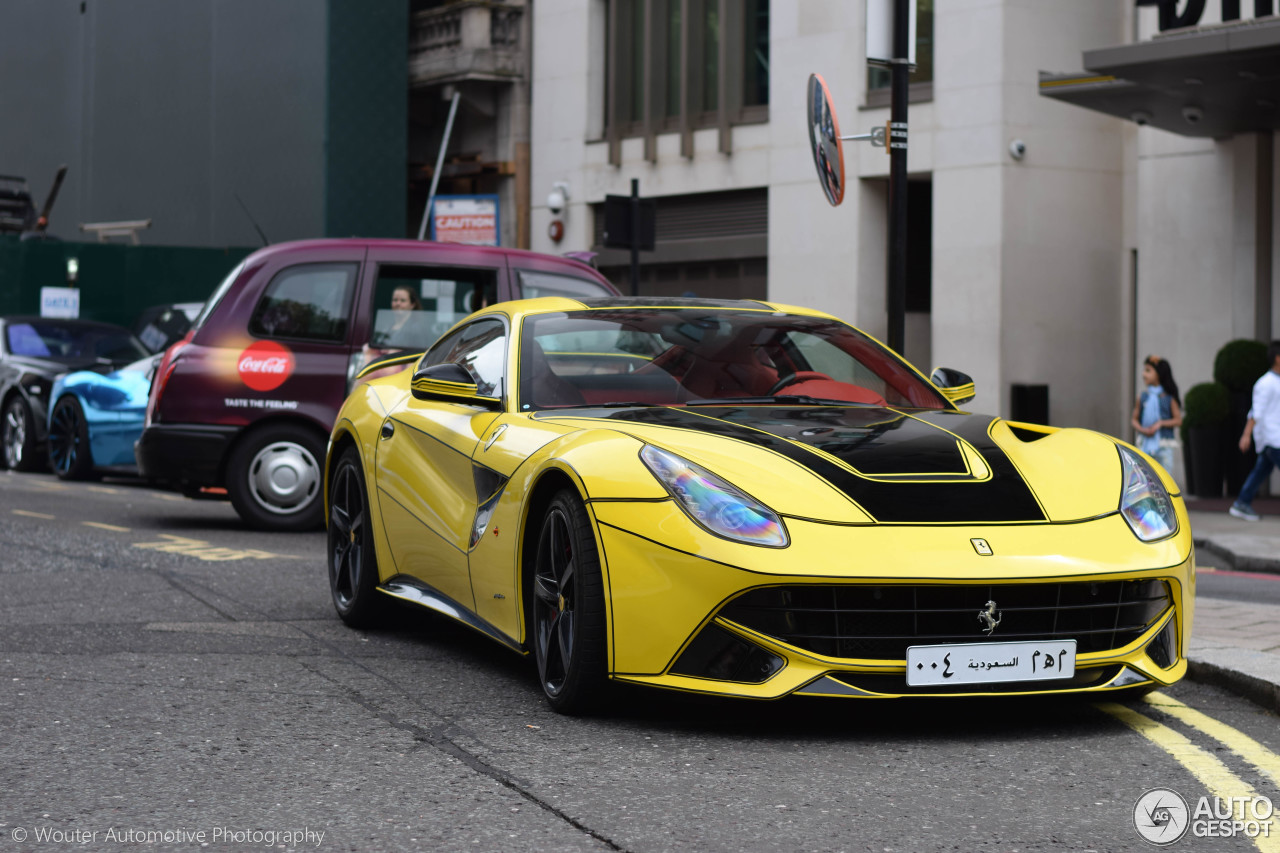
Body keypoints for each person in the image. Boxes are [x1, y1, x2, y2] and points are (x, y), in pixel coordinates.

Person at [1229, 340, 1280, 521]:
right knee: (1260, 471)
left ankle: (1242, 503)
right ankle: (1242, 503)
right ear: (1277, 358)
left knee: (1260, 471)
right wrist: (1246, 435)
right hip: (1272, 438)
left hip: (1273, 438)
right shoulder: (1265, 383)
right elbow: (1256, 412)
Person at [1130, 355, 1182, 474]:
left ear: (1159, 373)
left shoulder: (1168, 398)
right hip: (1145, 443)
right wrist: (1142, 429)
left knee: (1164, 476)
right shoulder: (1143, 397)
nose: (1144, 374)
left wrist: (1161, 423)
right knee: (1145, 475)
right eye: (1144, 370)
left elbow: (1178, 420)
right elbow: (1134, 419)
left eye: (1148, 370)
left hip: (1163, 443)